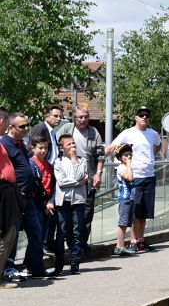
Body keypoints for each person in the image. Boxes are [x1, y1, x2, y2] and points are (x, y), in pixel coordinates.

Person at [105, 107, 161, 252]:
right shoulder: (128, 133)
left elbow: (158, 145)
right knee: (135, 211)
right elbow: (113, 146)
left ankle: (141, 240)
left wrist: (151, 156)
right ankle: (133, 240)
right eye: (141, 115)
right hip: (134, 177)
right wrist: (100, 157)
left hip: (149, 174)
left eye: (146, 116)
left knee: (145, 211)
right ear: (136, 118)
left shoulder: (152, 133)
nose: (144, 117)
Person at [2, 113, 47, 279]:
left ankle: (34, 266)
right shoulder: (4, 145)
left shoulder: (22, 144)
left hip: (28, 197)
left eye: (27, 125)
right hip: (14, 197)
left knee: (36, 231)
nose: (27, 128)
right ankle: (8, 268)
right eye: (22, 126)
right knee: (11, 235)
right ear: (11, 128)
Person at [56, 108, 104, 256]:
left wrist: (98, 173)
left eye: (85, 117)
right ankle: (71, 246)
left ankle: (82, 247)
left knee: (86, 216)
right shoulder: (66, 129)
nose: (83, 120)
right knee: (69, 218)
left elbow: (100, 155)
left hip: (87, 181)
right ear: (74, 119)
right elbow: (56, 147)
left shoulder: (93, 132)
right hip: (68, 183)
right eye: (79, 117)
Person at [53, 134, 88, 274]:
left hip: (78, 200)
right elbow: (61, 182)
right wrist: (78, 182)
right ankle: (59, 264)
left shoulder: (81, 160)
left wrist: (74, 160)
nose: (73, 146)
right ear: (62, 148)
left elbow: (80, 175)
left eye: (73, 143)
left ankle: (75, 263)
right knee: (61, 232)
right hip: (63, 201)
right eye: (69, 144)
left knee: (77, 231)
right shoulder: (58, 162)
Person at [0, 108, 23, 289]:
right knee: (6, 234)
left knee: (10, 233)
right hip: (2, 191)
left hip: (8, 191)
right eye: (7, 123)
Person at [29, 134, 57, 274]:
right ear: (33, 148)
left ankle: (32, 264)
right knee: (37, 236)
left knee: (42, 236)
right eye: (40, 148)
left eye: (45, 148)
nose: (43, 151)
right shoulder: (31, 164)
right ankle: (35, 266)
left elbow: (52, 186)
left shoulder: (49, 166)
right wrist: (43, 205)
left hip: (47, 205)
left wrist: (51, 201)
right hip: (37, 205)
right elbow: (34, 190)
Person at [113, 144, 136, 257]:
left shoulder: (127, 166)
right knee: (123, 223)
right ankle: (120, 246)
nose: (129, 157)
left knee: (127, 222)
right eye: (125, 155)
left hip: (130, 198)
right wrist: (128, 164)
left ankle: (120, 246)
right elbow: (130, 178)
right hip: (125, 199)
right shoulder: (122, 167)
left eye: (130, 155)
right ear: (120, 157)